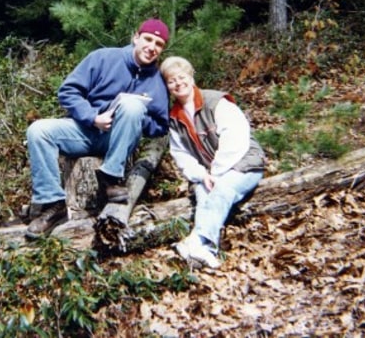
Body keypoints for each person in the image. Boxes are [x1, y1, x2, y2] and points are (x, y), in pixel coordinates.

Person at [24, 19, 171, 239]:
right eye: (148, 39)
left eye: (158, 44)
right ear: (136, 38)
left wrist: (134, 119)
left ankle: (109, 180)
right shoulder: (103, 57)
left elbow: (160, 125)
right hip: (84, 130)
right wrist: (93, 117)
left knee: (132, 106)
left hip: (115, 142)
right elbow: (68, 92)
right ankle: (53, 205)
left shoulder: (156, 81)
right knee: (38, 130)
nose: (151, 47)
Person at [160, 56, 265, 269]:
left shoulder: (217, 102)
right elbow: (181, 154)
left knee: (222, 189)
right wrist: (201, 175)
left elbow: (235, 140)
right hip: (211, 171)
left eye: (182, 77)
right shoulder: (174, 117)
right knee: (202, 191)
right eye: (172, 81)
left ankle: (199, 243)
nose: (178, 83)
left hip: (245, 162)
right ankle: (200, 249)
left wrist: (216, 173)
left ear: (191, 77)